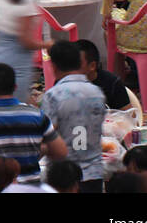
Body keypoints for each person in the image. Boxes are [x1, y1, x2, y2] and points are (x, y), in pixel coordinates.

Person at [0, 62, 67, 183]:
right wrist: (38, 150)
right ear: (15, 87)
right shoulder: (36, 115)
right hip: (30, 188)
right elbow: (61, 152)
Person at [39, 40, 106, 192]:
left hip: (63, 178)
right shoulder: (97, 93)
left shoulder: (53, 95)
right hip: (94, 173)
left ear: (54, 66)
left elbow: (47, 137)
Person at [78, 38, 133, 111]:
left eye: (76, 63)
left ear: (92, 66)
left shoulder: (112, 83)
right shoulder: (65, 83)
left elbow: (129, 117)